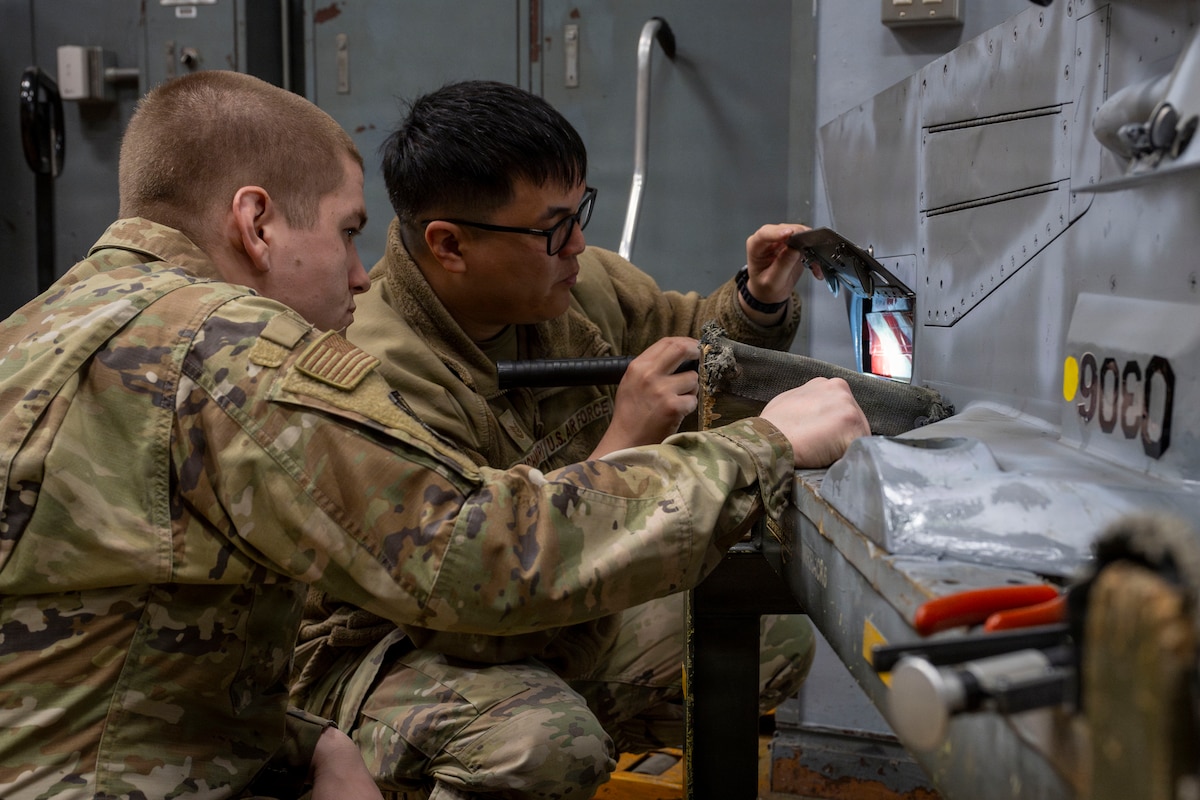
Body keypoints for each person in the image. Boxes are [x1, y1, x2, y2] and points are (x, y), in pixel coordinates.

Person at [0, 70, 868, 800]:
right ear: (256, 222)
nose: (357, 268)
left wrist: (309, 745)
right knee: (537, 738)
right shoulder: (231, 350)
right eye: (344, 231)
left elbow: (137, 654)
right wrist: (763, 446)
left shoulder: (46, 325)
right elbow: (480, 559)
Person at [291, 80, 835, 799]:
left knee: (765, 637)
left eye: (579, 212)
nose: (577, 244)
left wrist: (754, 304)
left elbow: (682, 336)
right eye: (552, 228)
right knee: (541, 744)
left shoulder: (572, 287)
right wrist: (627, 434)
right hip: (397, 647)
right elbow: (470, 601)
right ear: (449, 244)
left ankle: (546, 725)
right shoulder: (376, 374)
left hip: (542, 611)